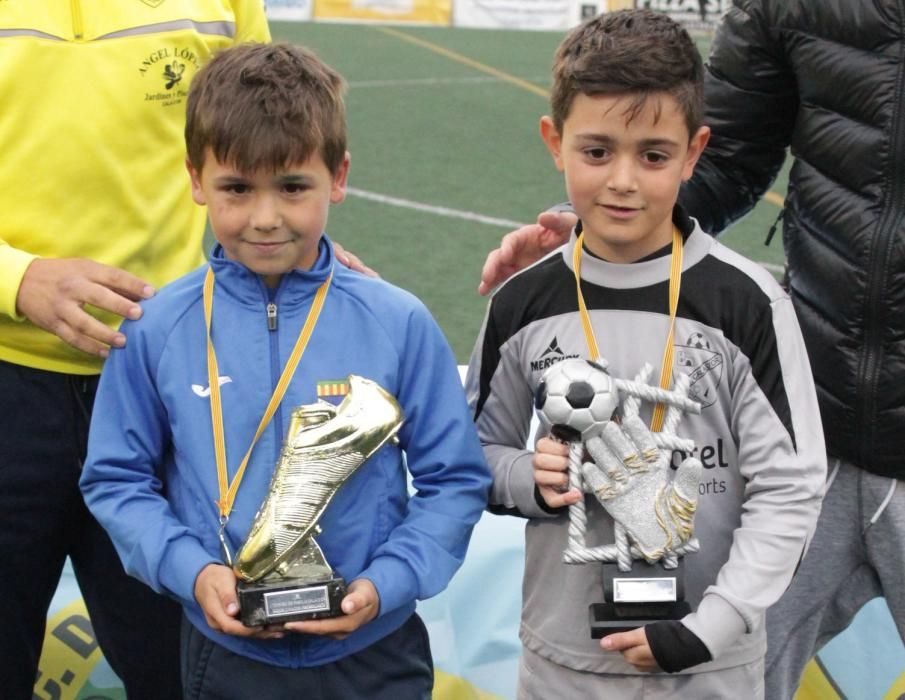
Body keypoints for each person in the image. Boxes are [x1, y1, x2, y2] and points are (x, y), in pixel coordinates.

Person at [479, 1, 905, 697]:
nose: (621, 176)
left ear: (685, 150)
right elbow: (721, 152)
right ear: (554, 142)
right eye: (594, 153)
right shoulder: (528, 302)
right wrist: (529, 478)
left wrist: (711, 627)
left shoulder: (746, 308)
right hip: (816, 417)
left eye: (650, 157)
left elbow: (783, 488)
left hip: (739, 592)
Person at [79, 42, 491, 699]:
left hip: (374, 651)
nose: (265, 218)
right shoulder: (157, 328)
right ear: (194, 178)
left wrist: (384, 583)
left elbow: (454, 480)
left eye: (293, 188)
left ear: (339, 175)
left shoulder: (399, 321)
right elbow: (117, 479)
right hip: (225, 654)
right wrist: (193, 573)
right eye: (237, 189)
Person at [0, 3, 270, 698]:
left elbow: (265, 149)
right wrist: (16, 277)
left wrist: (302, 263)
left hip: (170, 390)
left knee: (186, 672)